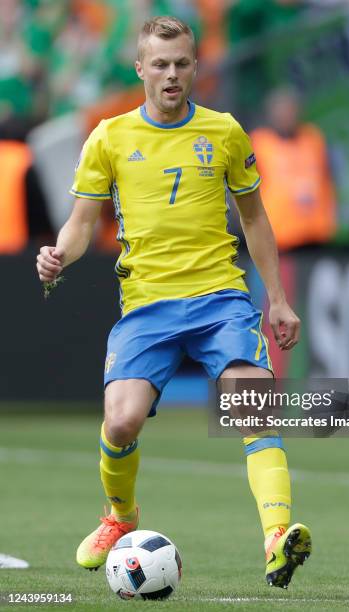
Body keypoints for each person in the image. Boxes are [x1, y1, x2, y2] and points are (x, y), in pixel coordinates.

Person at [36, 16, 311, 589]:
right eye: (159, 64)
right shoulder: (109, 137)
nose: (171, 74)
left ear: (196, 67)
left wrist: (278, 299)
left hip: (220, 299)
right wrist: (58, 254)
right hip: (147, 306)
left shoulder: (226, 132)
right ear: (140, 68)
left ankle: (277, 536)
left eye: (182, 63)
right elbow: (82, 224)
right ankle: (120, 518)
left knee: (252, 402)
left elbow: (256, 218)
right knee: (121, 420)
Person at [251, 88, 336, 251]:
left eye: (290, 111)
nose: (286, 117)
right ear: (271, 114)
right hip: (280, 237)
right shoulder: (259, 143)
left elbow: (328, 177)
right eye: (281, 112)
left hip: (317, 231)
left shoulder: (313, 139)